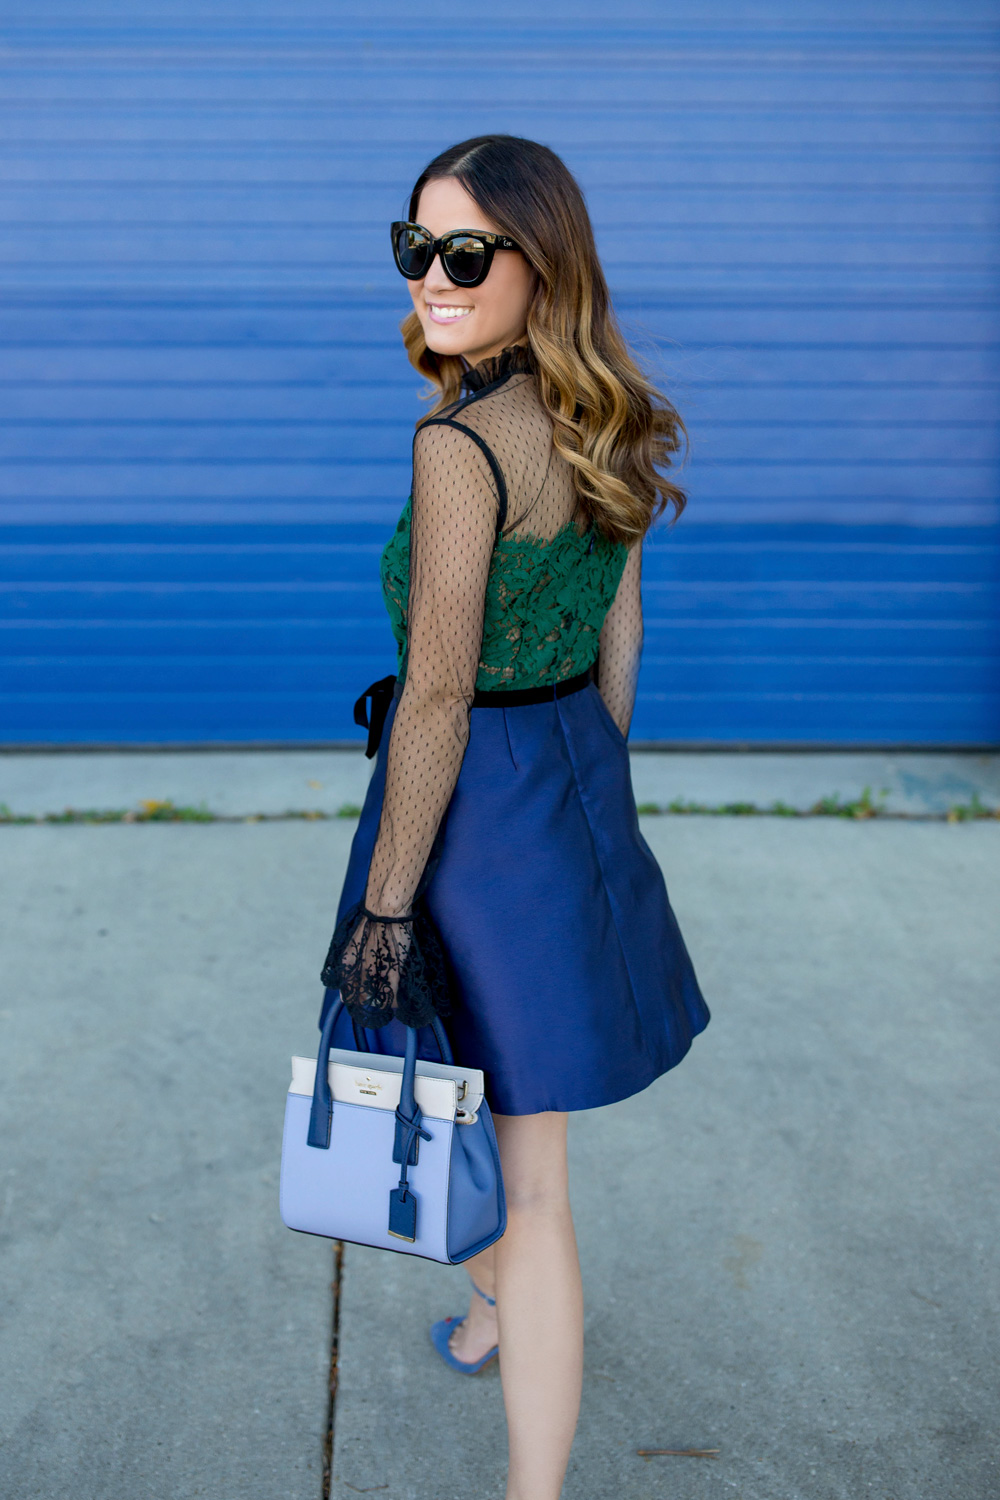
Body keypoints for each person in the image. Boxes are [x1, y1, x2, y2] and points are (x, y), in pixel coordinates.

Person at [320, 134, 709, 1500]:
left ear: (541, 266)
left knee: (444, 1117)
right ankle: (491, 1316)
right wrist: (585, 787)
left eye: (465, 253)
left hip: (459, 816)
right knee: (502, 1128)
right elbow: (623, 631)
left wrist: (383, 903)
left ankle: (532, 1486)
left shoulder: (459, 449)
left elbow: (433, 701)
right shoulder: (608, 416)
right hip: (558, 794)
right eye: (414, 247)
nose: (433, 275)